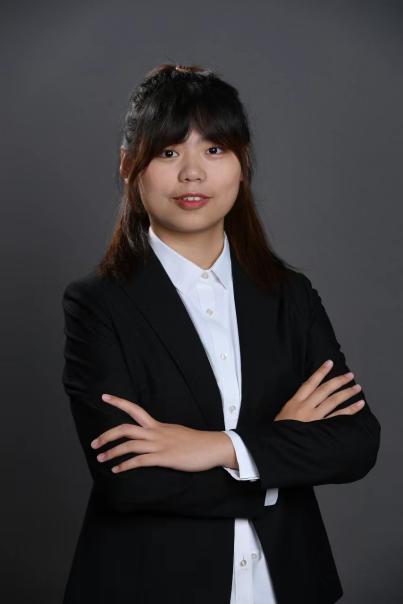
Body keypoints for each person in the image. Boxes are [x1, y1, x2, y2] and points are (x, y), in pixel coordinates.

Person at [61, 63, 381, 604]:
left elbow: (355, 442)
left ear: (242, 163)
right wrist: (278, 454)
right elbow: (131, 481)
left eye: (214, 149)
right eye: (168, 152)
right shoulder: (98, 304)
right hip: (153, 587)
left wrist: (216, 447)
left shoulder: (290, 295)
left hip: (289, 583)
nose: (192, 173)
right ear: (128, 166)